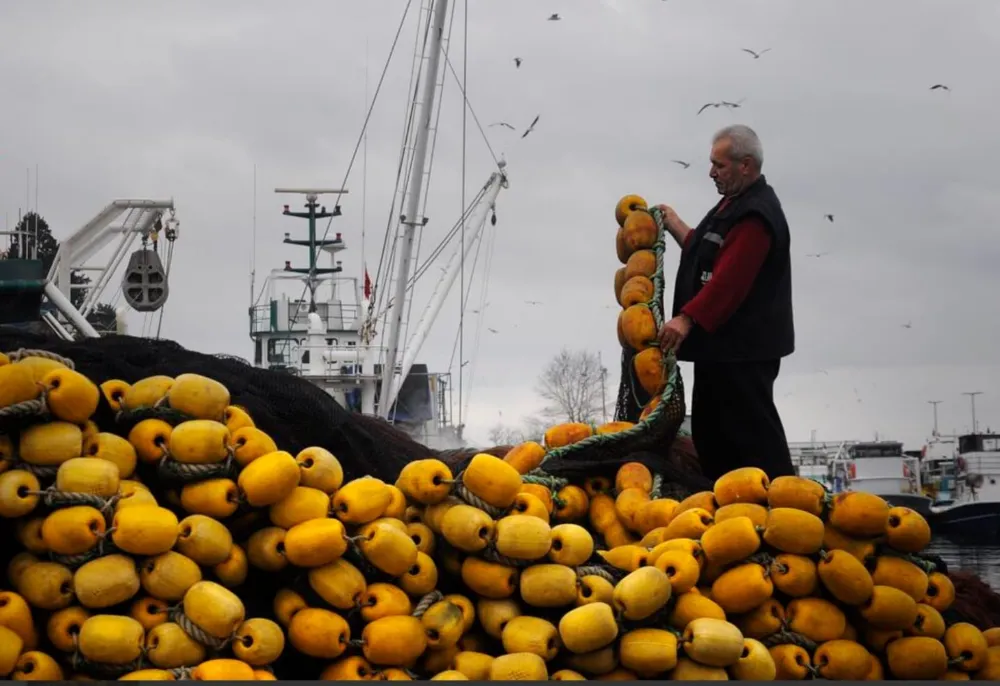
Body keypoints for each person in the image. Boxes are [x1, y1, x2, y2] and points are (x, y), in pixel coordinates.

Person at [654, 124, 797, 481]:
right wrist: (674, 225)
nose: (711, 172)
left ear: (745, 165)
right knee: (712, 433)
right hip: (720, 350)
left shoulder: (755, 216)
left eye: (719, 165)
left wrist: (685, 320)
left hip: (745, 353)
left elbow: (729, 282)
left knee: (752, 435)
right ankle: (728, 509)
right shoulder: (733, 205)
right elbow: (710, 255)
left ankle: (783, 504)